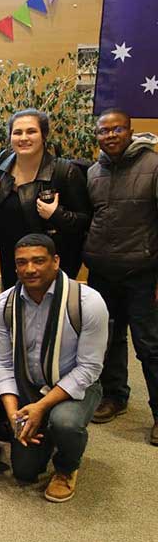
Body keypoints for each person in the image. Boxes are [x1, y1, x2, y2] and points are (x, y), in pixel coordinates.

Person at [0, 234, 108, 501]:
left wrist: (42, 407)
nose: (29, 269)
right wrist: (13, 416)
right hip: (30, 387)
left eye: (38, 261)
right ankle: (45, 432)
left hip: (74, 385)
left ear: (55, 262)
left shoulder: (87, 303)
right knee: (23, 471)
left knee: (65, 423)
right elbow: (4, 363)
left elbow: (89, 367)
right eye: (22, 263)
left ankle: (67, 467)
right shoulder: (3, 306)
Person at [82, 108, 158, 443]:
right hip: (102, 272)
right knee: (109, 340)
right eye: (103, 130)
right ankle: (115, 396)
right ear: (96, 135)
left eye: (117, 129)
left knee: (149, 344)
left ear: (130, 131)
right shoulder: (94, 172)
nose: (110, 135)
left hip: (142, 271)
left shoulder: (153, 166)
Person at [0, 109, 92, 289]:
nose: (23, 138)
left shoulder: (65, 172)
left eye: (31, 131)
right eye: (17, 132)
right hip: (11, 260)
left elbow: (84, 221)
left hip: (48, 264)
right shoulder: (2, 163)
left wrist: (56, 214)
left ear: (44, 135)